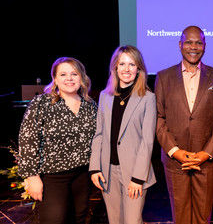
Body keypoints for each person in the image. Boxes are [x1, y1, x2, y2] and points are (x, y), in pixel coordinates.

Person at [155, 25, 213, 224]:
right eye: (189, 42)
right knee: (179, 216)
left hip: (205, 160)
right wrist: (175, 151)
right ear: (180, 45)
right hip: (174, 161)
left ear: (205, 46)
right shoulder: (163, 77)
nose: (193, 46)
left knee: (202, 216)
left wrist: (206, 153)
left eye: (198, 42)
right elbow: (158, 118)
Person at [18, 57, 97, 224]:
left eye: (74, 74)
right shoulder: (42, 103)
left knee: (78, 219)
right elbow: (27, 139)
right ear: (55, 79)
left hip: (83, 175)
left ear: (81, 77)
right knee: (55, 220)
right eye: (63, 74)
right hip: (53, 177)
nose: (69, 78)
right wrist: (31, 176)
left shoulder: (90, 105)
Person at [89, 45, 157, 224]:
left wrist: (138, 178)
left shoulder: (148, 98)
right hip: (107, 173)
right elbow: (99, 134)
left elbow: (147, 141)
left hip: (135, 173)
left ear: (139, 69)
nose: (126, 69)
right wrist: (95, 168)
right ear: (115, 68)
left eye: (132, 64)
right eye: (122, 64)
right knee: (115, 221)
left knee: (132, 221)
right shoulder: (105, 96)